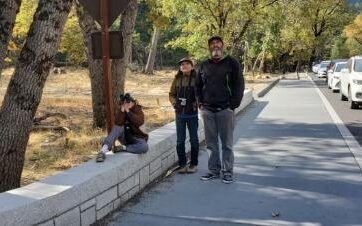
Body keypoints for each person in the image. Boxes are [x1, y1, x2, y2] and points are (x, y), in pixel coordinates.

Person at [196, 36, 244, 184]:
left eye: (217, 43)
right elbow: (197, 85)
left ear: (222, 46)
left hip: (225, 110)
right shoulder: (204, 65)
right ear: (209, 47)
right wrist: (200, 103)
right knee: (211, 143)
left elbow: (239, 85)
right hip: (208, 110)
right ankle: (213, 170)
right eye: (212, 44)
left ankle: (227, 171)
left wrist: (233, 105)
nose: (215, 45)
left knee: (227, 144)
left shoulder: (232, 63)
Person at [96, 93, 148, 162]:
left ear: (133, 102)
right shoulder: (122, 109)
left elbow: (139, 122)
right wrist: (122, 110)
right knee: (117, 128)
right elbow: (117, 123)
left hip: (137, 138)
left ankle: (123, 148)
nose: (127, 104)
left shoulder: (138, 110)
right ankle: (103, 151)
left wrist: (128, 111)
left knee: (144, 147)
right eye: (125, 103)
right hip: (125, 137)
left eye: (129, 102)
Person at [169, 57, 199, 174]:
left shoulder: (197, 79)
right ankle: (182, 164)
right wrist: (175, 104)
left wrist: (195, 104)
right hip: (180, 115)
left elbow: (201, 93)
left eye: (187, 64)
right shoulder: (176, 79)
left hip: (192, 115)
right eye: (182, 64)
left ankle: (193, 164)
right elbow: (171, 94)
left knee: (194, 140)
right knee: (180, 141)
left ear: (192, 66)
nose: (184, 66)